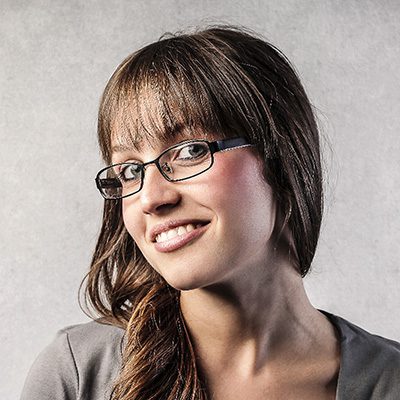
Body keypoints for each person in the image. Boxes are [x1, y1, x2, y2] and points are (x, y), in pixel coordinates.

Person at [21, 26, 400, 400]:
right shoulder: (78, 373)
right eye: (131, 170)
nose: (151, 198)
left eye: (190, 151)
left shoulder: (390, 381)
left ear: (282, 159)